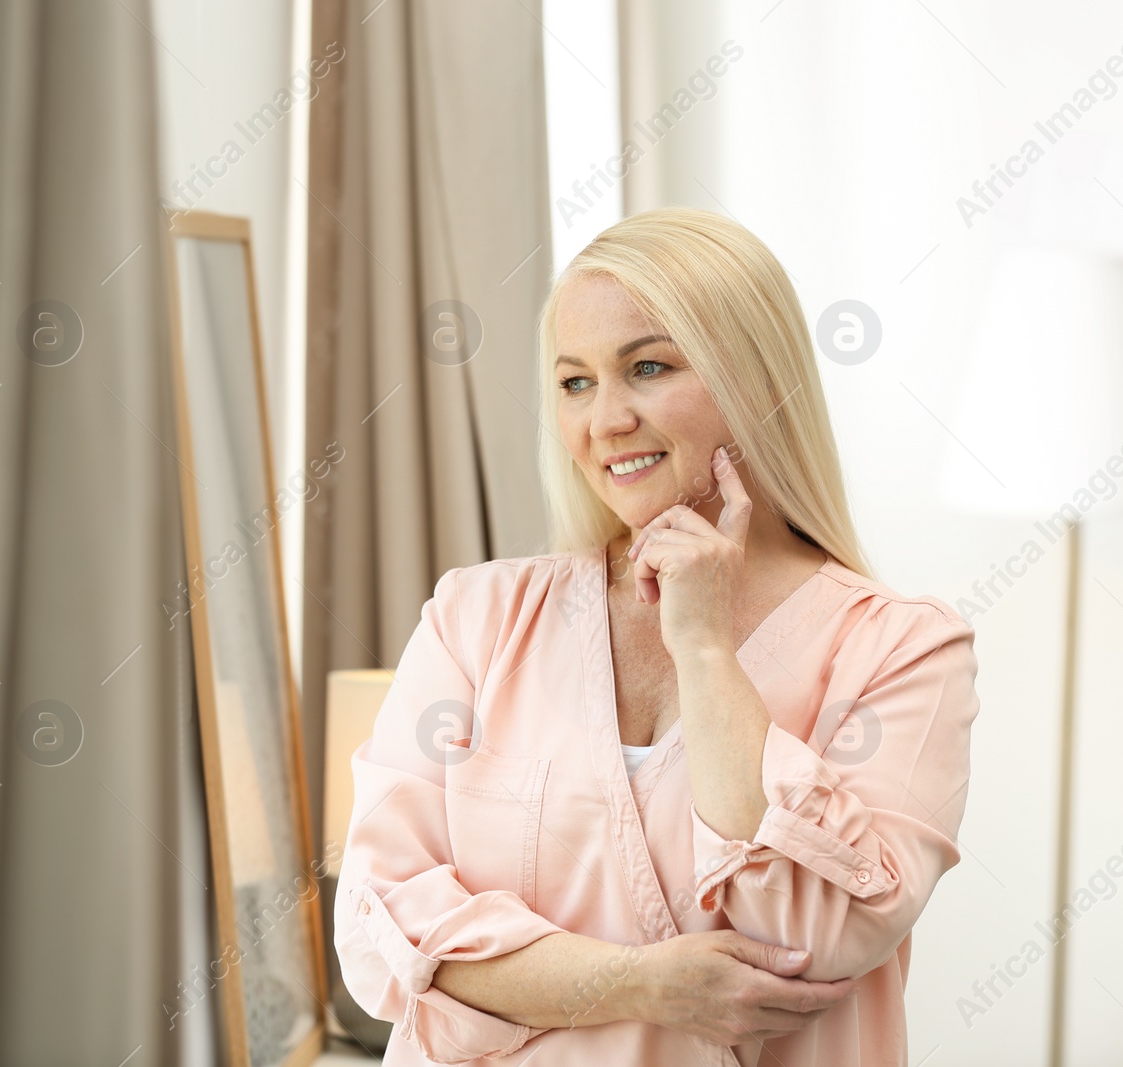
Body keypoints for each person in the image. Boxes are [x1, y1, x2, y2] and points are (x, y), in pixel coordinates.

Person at [334, 206, 981, 1066]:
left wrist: (708, 650)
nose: (604, 421)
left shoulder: (901, 649)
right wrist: (638, 983)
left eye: (646, 367)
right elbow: (380, 923)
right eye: (574, 382)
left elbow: (823, 929)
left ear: (754, 378)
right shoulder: (476, 618)